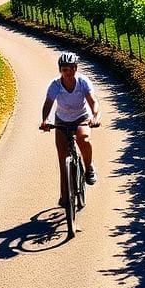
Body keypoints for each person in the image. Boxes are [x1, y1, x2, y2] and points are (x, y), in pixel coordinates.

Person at [39, 52, 102, 206]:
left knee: (83, 138)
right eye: (65, 69)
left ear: (76, 68)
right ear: (60, 70)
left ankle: (88, 167)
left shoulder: (82, 82)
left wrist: (95, 117)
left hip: (82, 118)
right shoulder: (55, 85)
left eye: (71, 69)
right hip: (62, 120)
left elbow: (93, 102)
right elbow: (48, 104)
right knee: (62, 158)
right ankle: (65, 196)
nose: (68, 73)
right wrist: (45, 120)